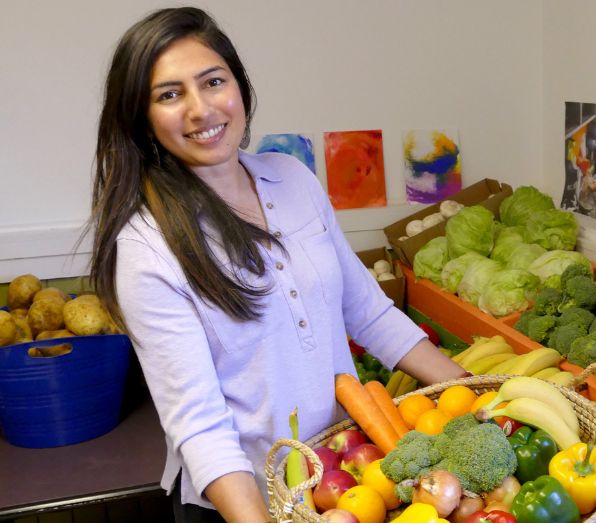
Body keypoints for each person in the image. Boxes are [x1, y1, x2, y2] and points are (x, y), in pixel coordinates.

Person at [87, 8, 467, 521]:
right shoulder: (147, 245)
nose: (200, 109)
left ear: (238, 88)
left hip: (339, 474)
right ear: (143, 119)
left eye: (213, 81)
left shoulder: (293, 179)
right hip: (241, 502)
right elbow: (200, 424)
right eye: (170, 94)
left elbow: (369, 313)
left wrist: (475, 395)